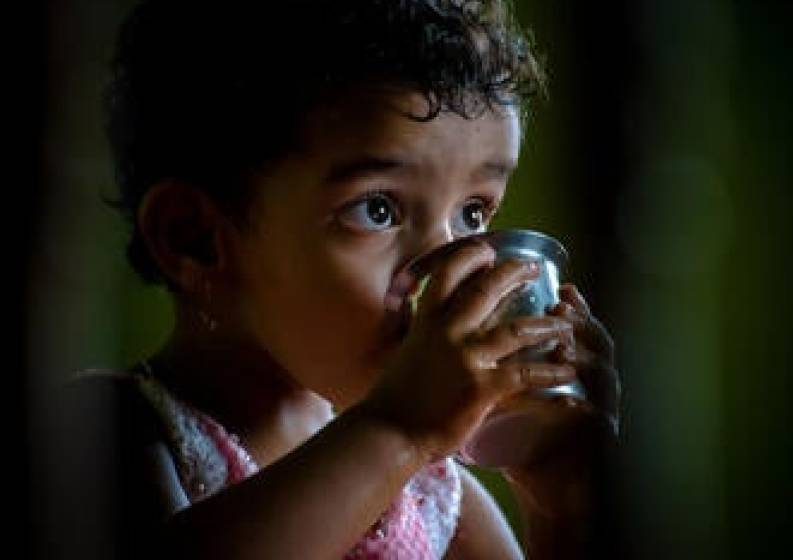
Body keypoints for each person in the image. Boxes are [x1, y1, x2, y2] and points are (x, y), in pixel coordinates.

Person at [54, 1, 622, 558]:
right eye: (378, 210)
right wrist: (400, 430)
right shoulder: (116, 434)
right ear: (195, 239)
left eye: (473, 213)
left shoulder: (428, 486)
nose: (451, 269)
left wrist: (562, 508)